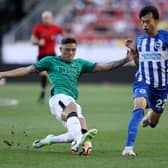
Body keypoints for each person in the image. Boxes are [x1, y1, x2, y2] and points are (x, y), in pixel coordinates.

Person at [0, 37, 133, 155]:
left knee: (78, 131)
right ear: (60, 49)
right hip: (58, 98)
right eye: (67, 50)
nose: (70, 53)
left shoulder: (80, 63)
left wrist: (125, 60)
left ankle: (50, 139)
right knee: (78, 125)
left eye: (73, 50)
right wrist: (3, 74)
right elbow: (27, 70)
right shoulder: (50, 61)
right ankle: (79, 139)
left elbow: (105, 67)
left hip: (72, 103)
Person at [122, 6, 168, 157]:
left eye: (147, 22)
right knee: (138, 107)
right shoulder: (140, 40)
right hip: (143, 81)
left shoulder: (165, 38)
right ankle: (128, 148)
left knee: (154, 122)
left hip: (161, 87)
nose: (144, 25)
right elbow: (138, 63)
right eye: (142, 22)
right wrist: (134, 54)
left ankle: (150, 118)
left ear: (156, 20)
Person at [31, 10, 64, 103]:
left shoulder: (56, 28)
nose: (46, 20)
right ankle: (56, 90)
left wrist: (63, 44)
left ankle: (45, 94)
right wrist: (38, 42)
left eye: (48, 18)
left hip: (52, 56)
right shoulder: (38, 27)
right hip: (42, 56)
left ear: (51, 18)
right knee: (44, 74)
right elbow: (32, 41)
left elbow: (65, 37)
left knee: (47, 75)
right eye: (44, 18)